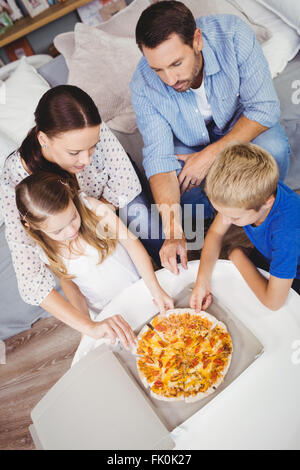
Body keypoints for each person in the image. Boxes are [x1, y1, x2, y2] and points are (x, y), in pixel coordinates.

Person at [130, 0, 290, 276]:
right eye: (159, 70)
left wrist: (209, 156)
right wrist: (173, 232)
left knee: (273, 150)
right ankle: (219, 219)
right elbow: (159, 158)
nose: (169, 79)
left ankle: (258, 216)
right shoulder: (142, 83)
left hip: (239, 122)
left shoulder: (234, 35)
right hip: (187, 142)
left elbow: (264, 108)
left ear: (197, 40)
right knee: (179, 192)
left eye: (176, 64)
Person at [0, 85, 160, 343]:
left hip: (103, 207)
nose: (86, 160)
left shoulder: (88, 130)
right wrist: (90, 327)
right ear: (44, 141)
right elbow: (32, 282)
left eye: (92, 148)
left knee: (150, 230)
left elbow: (124, 187)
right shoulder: (16, 177)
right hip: (80, 224)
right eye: (74, 153)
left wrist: (91, 216)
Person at [15, 172, 173, 346]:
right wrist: (86, 326)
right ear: (32, 226)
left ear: (70, 195)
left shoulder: (92, 208)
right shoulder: (45, 252)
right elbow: (71, 288)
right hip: (108, 311)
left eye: (73, 217)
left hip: (142, 287)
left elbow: (131, 244)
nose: (70, 231)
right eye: (58, 231)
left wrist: (155, 289)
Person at [190, 143, 300, 313]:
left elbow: (273, 302)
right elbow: (215, 232)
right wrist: (202, 281)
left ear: (266, 203)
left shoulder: (285, 233)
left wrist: (236, 254)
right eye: (220, 212)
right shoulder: (254, 193)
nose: (225, 220)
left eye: (234, 217)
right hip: (274, 254)